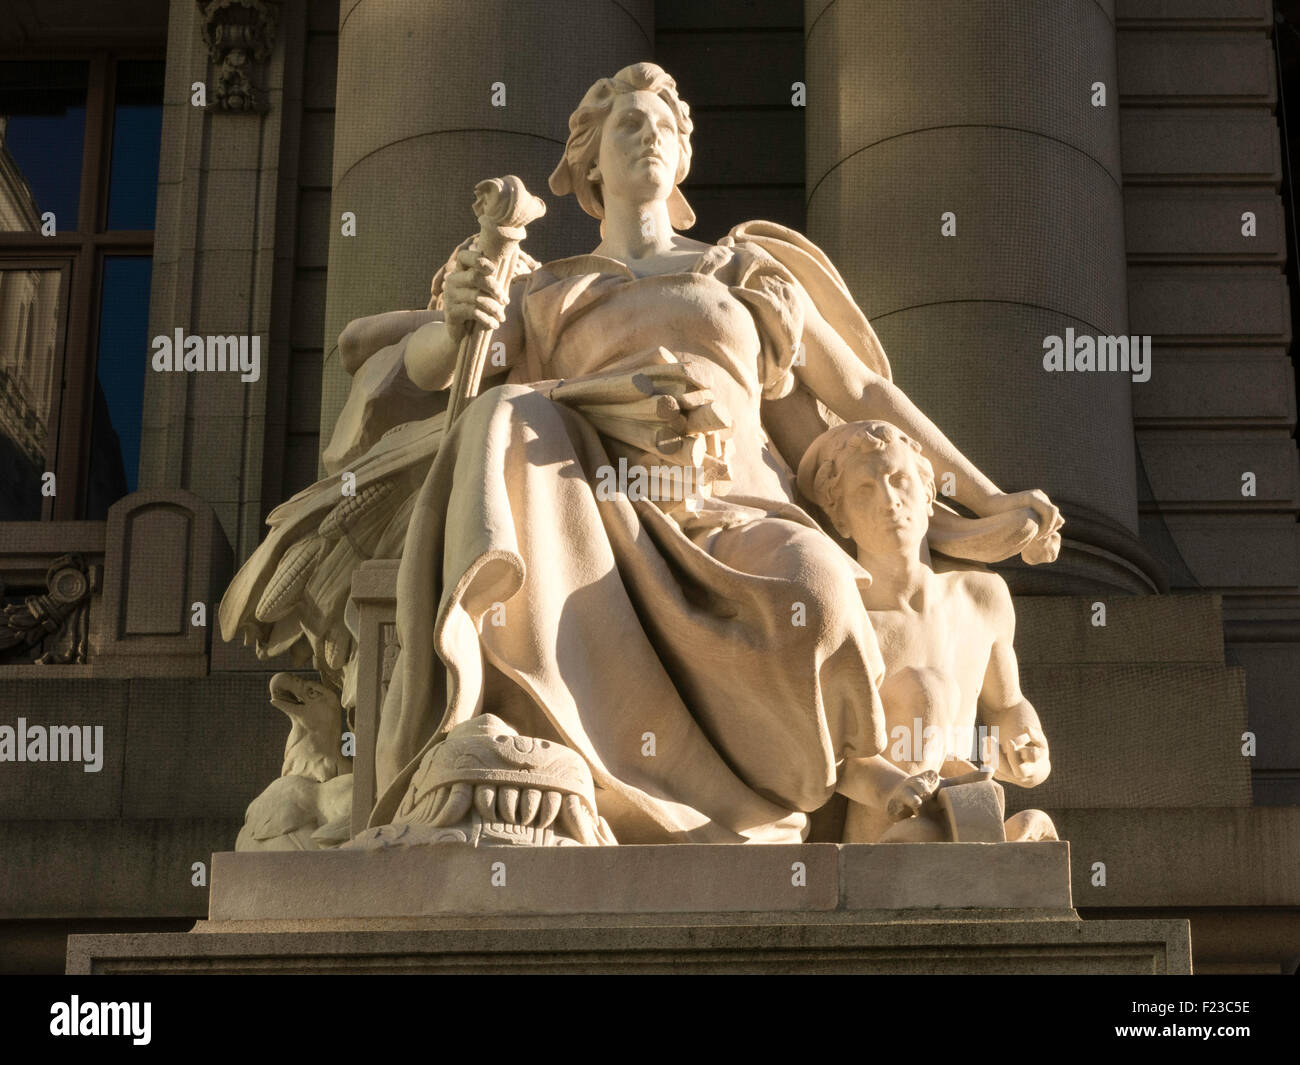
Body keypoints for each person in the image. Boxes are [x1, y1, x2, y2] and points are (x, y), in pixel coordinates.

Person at [276, 63, 1065, 845]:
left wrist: (985, 497)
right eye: (628, 125)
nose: (648, 135)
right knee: (506, 412)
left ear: (683, 157)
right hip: (589, 509)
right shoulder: (551, 287)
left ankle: (841, 768)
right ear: (588, 163)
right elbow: (423, 364)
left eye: (662, 126)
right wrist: (454, 322)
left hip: (735, 506)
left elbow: (860, 392)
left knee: (821, 599)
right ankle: (506, 730)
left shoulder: (745, 271)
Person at [797, 420, 1055, 843]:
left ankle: (976, 844)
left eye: (900, 480)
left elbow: (1007, 705)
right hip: (884, 829)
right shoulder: (843, 618)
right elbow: (837, 760)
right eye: (864, 490)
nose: (888, 501)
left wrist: (1029, 747)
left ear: (929, 494)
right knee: (926, 688)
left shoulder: (982, 597)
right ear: (840, 518)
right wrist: (895, 791)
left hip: (967, 804)